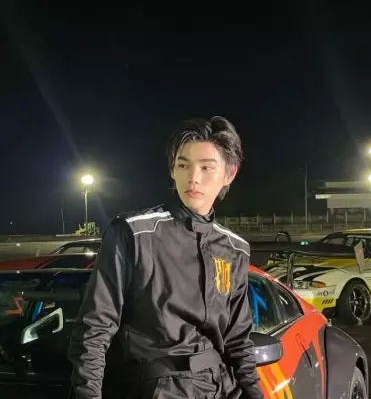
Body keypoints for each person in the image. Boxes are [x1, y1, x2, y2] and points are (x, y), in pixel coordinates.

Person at [67, 116, 263, 399]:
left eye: (206, 167)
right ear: (172, 170)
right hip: (156, 386)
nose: (193, 177)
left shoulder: (235, 249)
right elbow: (93, 329)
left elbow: (238, 340)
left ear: (229, 174)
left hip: (222, 386)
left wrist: (254, 393)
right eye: (183, 165)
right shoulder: (134, 234)